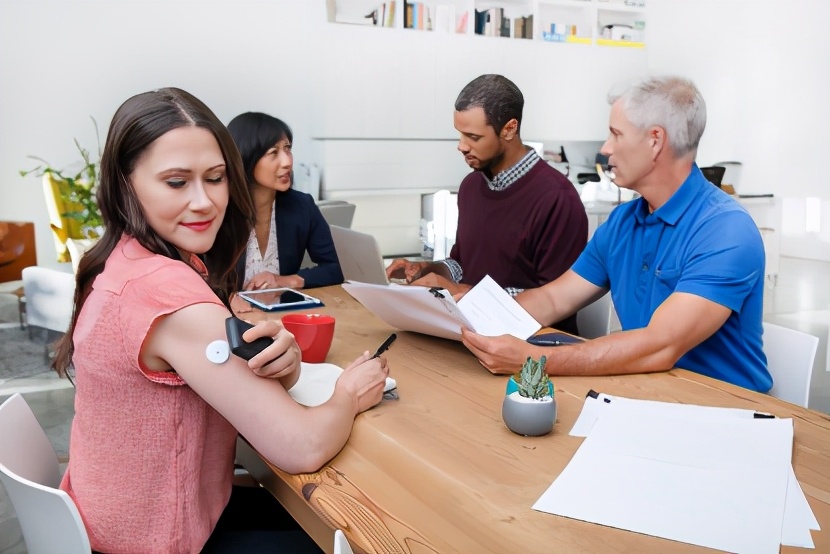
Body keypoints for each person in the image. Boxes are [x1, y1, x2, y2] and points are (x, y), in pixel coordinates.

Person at [52, 88, 389, 553]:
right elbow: (302, 445)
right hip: (154, 538)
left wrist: (283, 368)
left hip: (118, 515)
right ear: (125, 183)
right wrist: (350, 393)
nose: (205, 202)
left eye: (215, 178)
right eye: (176, 182)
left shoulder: (126, 261)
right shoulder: (168, 295)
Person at [462, 76, 772, 393]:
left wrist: (536, 359)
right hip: (651, 394)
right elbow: (554, 298)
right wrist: (468, 318)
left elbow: (659, 346)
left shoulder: (726, 229)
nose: (606, 149)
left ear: (655, 141)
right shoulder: (623, 221)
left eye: (615, 134)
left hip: (728, 408)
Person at [385, 74, 588, 335]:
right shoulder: (472, 187)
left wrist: (465, 292)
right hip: (472, 333)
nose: (462, 146)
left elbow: (557, 300)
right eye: (460, 134)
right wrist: (429, 270)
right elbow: (463, 265)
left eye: (473, 137)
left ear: (509, 129)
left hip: (529, 348)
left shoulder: (557, 198)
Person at [228, 112, 343, 294]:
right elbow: (198, 276)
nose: (287, 162)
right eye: (273, 152)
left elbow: (338, 267)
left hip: (282, 315)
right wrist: (227, 297)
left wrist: (288, 280)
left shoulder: (301, 205)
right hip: (225, 316)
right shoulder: (220, 209)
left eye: (288, 149)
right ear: (245, 157)